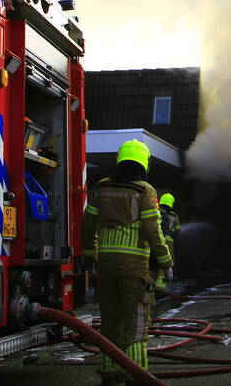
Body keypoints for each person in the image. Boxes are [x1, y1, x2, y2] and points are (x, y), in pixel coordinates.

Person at [82, 139, 173, 385]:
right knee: (136, 322)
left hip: (106, 266)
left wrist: (89, 256)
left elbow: (88, 225)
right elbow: (153, 230)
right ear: (144, 163)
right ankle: (137, 374)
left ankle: (111, 372)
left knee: (111, 320)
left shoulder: (101, 188)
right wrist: (166, 262)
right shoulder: (144, 190)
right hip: (134, 267)